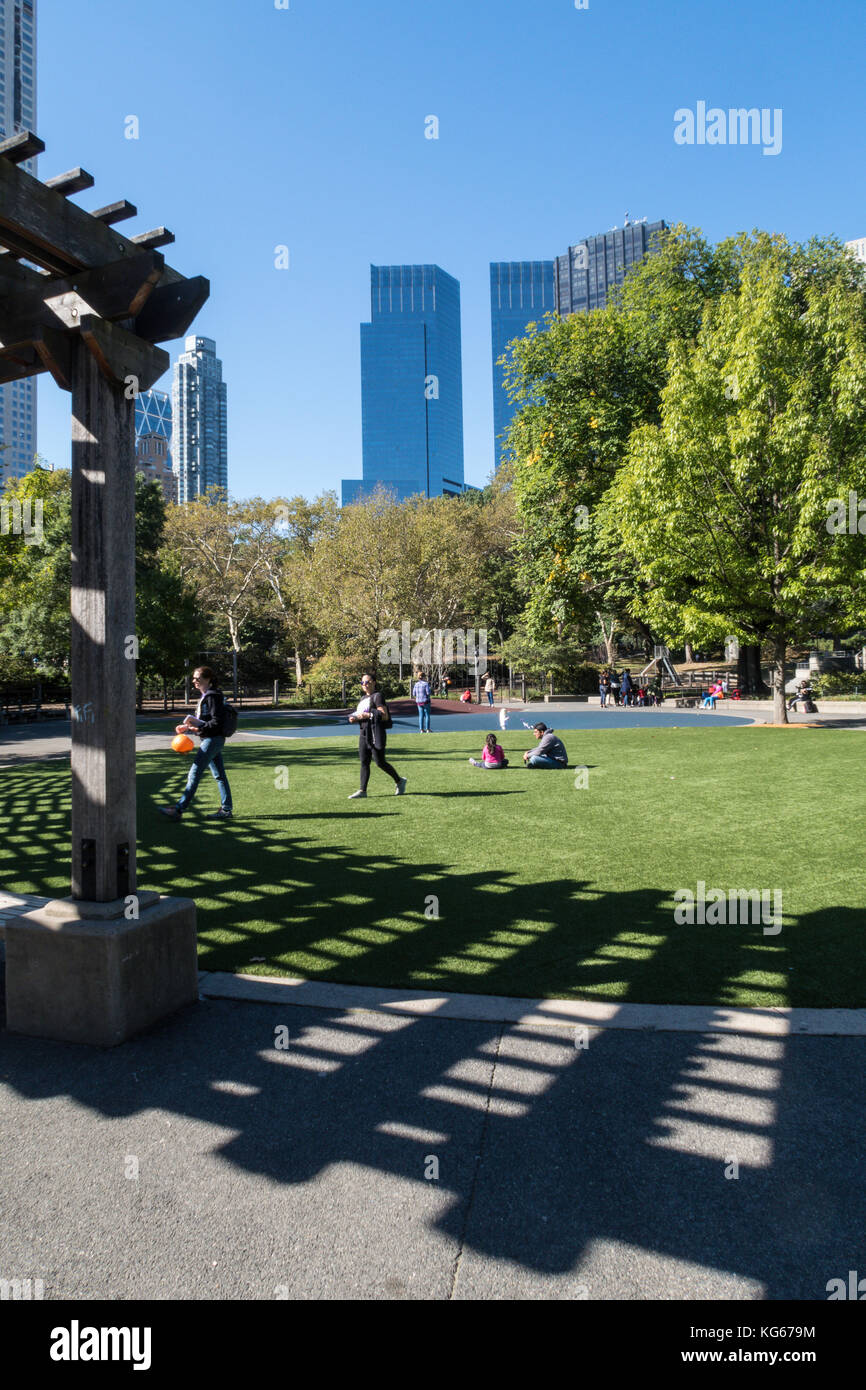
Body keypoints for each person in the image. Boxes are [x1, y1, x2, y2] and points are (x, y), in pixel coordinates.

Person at [160, 666, 233, 821]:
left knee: (194, 773)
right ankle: (226, 810)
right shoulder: (207, 696)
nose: (194, 681)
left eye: (197, 678)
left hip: (213, 740)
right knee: (219, 775)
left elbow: (216, 723)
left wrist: (196, 727)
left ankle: (179, 809)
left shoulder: (212, 696)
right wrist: (188, 727)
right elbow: (206, 721)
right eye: (194, 678)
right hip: (211, 739)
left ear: (208, 679)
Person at [348, 674, 406, 799]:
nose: (365, 685)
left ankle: (399, 781)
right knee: (364, 762)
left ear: (374, 682)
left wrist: (368, 715)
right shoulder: (363, 697)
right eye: (362, 683)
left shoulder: (378, 696)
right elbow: (361, 715)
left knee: (380, 762)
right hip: (364, 733)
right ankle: (362, 791)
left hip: (375, 734)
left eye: (367, 682)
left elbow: (384, 715)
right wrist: (355, 718)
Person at [412, 667, 432, 733]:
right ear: (423, 677)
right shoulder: (426, 684)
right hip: (426, 701)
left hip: (418, 702)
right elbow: (428, 693)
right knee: (427, 715)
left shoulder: (416, 684)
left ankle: (421, 729)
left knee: (421, 715)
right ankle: (428, 729)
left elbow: (413, 693)